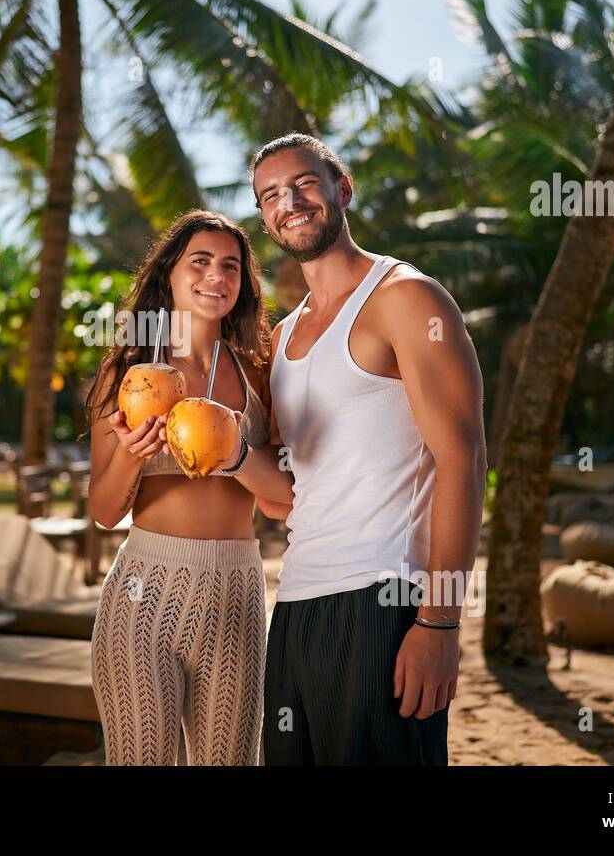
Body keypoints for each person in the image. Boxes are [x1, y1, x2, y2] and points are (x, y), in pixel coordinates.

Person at [249, 133, 487, 765]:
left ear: (341, 189)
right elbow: (283, 501)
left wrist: (440, 623)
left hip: (387, 599)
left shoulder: (407, 298)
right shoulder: (282, 336)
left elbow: (463, 459)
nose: (289, 202)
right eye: (270, 195)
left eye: (303, 182)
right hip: (297, 603)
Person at [87, 209, 294, 765]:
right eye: (199, 262)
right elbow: (104, 511)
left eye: (231, 266)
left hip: (236, 593)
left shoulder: (260, 370)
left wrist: (234, 455)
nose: (216, 277)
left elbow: (282, 499)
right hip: (141, 594)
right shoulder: (128, 372)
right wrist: (132, 458)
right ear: (169, 276)